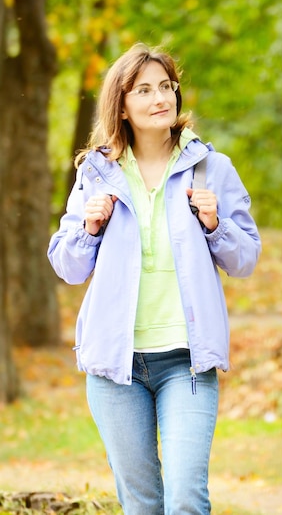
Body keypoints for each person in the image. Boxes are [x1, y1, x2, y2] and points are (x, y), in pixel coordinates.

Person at [47, 42, 261, 515]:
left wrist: (215, 224)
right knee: (142, 503)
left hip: (185, 362)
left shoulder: (209, 169)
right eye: (143, 89)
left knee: (185, 497)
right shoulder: (97, 174)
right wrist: (89, 227)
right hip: (115, 369)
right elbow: (66, 266)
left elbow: (246, 259)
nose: (159, 97)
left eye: (166, 86)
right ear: (121, 104)